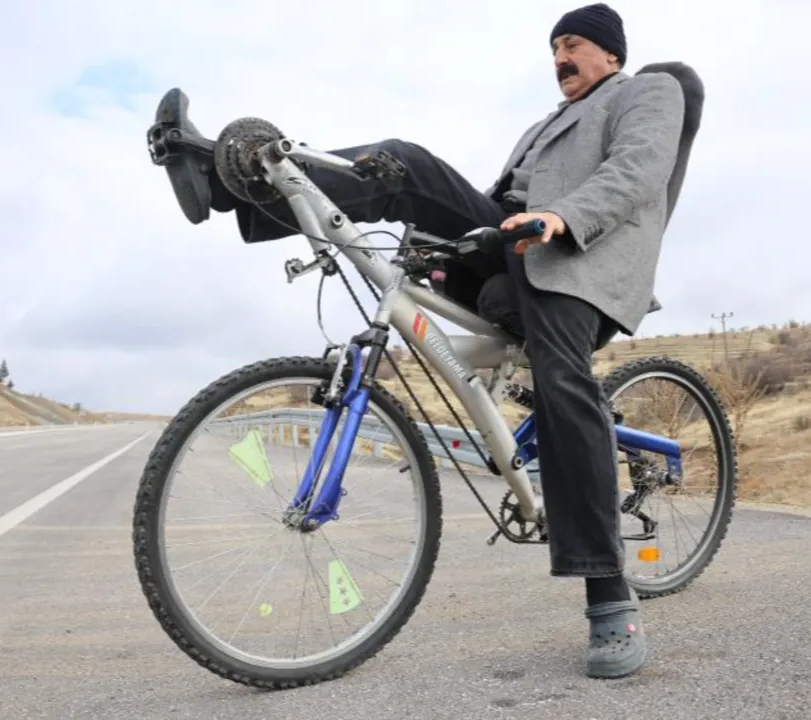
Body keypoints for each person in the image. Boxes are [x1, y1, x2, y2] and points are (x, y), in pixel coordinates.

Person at [166, 3, 687, 680]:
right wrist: (447, 255)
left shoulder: (648, 91)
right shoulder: (542, 126)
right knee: (402, 167)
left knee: (563, 383)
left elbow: (637, 172)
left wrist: (562, 216)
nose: (560, 56)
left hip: (578, 263)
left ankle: (610, 597)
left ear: (610, 55)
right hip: (511, 247)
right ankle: (227, 179)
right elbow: (498, 207)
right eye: (554, 46)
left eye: (575, 44)